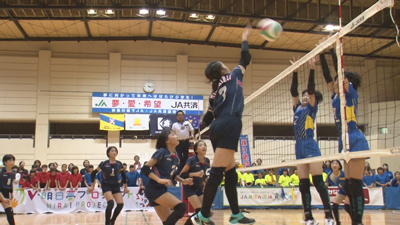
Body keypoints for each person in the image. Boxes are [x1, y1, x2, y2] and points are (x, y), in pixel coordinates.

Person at [191, 24, 255, 225]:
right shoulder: (234, 74)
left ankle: (236, 214)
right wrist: (245, 37)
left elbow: (207, 119)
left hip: (217, 128)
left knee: (230, 172)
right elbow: (246, 57)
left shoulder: (214, 92)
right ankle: (203, 215)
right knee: (217, 172)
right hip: (230, 123)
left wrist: (198, 130)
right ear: (220, 68)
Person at [320, 41, 370, 225]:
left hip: (355, 137)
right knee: (348, 183)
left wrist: (335, 51)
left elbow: (340, 75)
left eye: (340, 80)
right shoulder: (336, 96)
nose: (336, 83)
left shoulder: (351, 93)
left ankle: (357, 222)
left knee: (355, 183)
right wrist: (322, 54)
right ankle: (355, 220)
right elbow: (329, 78)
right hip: (344, 138)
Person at [291, 55, 334, 225]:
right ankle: (308, 216)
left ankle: (329, 215)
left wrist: (311, 68)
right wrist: (294, 71)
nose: (304, 97)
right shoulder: (296, 109)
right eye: (303, 96)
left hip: (310, 144)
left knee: (318, 182)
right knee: (303, 184)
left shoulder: (311, 108)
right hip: (298, 147)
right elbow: (294, 91)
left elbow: (310, 89)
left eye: (307, 96)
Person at [141, 128, 193, 225]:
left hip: (161, 189)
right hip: (153, 189)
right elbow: (145, 168)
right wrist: (159, 179)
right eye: (173, 134)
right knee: (181, 207)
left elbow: (172, 175)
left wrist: (183, 181)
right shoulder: (162, 152)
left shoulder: (176, 156)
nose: (176, 136)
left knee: (168, 221)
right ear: (166, 140)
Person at [88, 146, 129, 225]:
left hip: (116, 185)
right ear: (108, 153)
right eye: (112, 151)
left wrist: (125, 187)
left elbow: (123, 175)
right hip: (106, 185)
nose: (114, 152)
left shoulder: (119, 163)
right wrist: (92, 186)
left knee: (120, 204)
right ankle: (107, 223)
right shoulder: (104, 163)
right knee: (110, 203)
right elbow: (93, 173)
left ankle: (112, 220)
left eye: (115, 151)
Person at [180, 140, 210, 225]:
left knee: (205, 212)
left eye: (204, 145)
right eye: (200, 145)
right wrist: (195, 174)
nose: (203, 146)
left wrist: (206, 185)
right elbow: (182, 174)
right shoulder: (192, 160)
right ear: (196, 150)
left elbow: (204, 176)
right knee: (199, 211)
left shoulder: (207, 161)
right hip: (189, 187)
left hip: (199, 187)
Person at [325, 160, 351, 225]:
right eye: (333, 164)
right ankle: (338, 223)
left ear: (339, 166)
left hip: (349, 191)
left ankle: (355, 220)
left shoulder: (343, 173)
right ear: (330, 166)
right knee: (334, 206)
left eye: (336, 164)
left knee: (347, 207)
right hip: (342, 191)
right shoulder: (330, 175)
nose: (334, 165)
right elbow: (326, 184)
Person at [0, 154, 16, 225]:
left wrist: (11, 193)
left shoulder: (13, 172)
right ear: (5, 162)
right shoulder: (1, 171)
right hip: (0, 191)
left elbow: (11, 183)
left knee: (9, 212)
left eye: (13, 160)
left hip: (6, 192)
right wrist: (2, 198)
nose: (12, 162)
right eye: (10, 160)